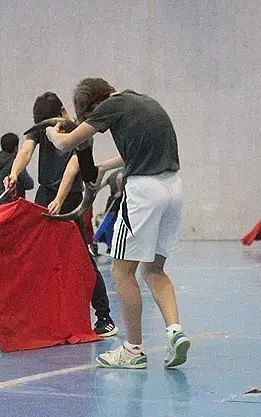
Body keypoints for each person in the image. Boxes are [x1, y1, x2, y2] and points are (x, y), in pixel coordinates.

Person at [44, 77, 189, 369]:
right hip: (173, 188)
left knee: (122, 271)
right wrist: (101, 168)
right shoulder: (144, 102)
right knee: (154, 270)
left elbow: (65, 143)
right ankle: (175, 332)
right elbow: (131, 153)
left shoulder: (112, 105)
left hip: (144, 192)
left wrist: (52, 133)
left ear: (96, 103)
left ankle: (132, 350)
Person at [5, 92, 117, 339]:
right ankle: (42, 318)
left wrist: (59, 199)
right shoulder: (42, 130)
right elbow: (25, 150)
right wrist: (13, 174)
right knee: (37, 255)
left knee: (80, 256)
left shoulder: (79, 131)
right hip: (45, 195)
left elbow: (73, 166)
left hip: (70, 198)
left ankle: (104, 316)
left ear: (63, 112)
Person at [0, 133, 33, 204]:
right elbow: (29, 184)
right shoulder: (15, 164)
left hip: (1, 202)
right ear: (16, 147)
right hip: (14, 204)